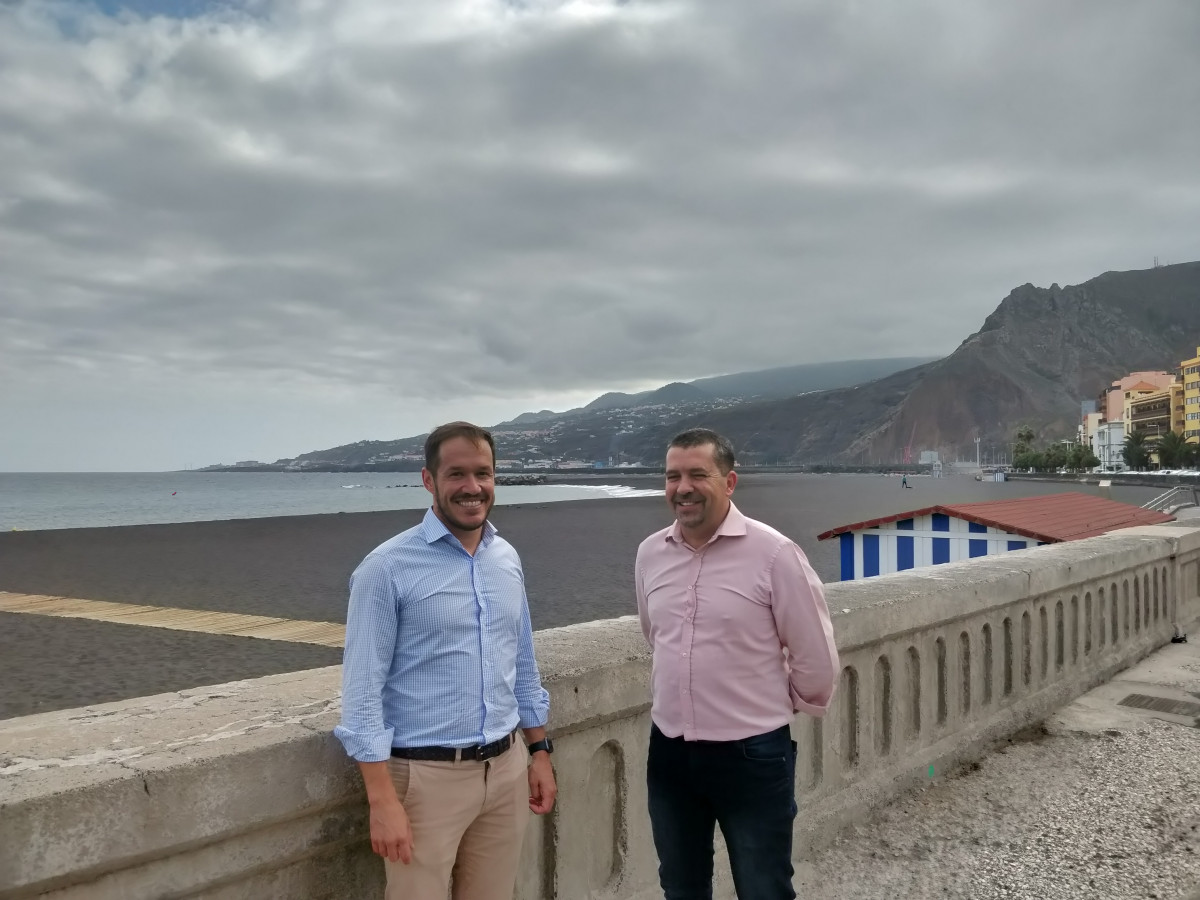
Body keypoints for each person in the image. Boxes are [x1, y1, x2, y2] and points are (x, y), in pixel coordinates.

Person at [335, 421, 557, 900]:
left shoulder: (506, 559)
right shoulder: (386, 568)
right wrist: (382, 800)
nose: (472, 488)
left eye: (483, 473)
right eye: (456, 474)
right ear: (428, 479)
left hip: (505, 770)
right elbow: (361, 692)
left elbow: (521, 661)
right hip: (423, 780)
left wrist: (539, 752)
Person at [635, 428, 839, 900]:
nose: (682, 488)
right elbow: (656, 635)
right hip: (669, 751)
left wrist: (763, 705)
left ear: (729, 482)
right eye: (672, 477)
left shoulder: (774, 554)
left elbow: (815, 655)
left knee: (763, 885)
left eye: (696, 475)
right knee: (681, 886)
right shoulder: (649, 554)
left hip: (751, 755)